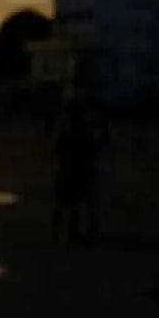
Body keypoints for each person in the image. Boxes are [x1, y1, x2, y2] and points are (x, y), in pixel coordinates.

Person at [51, 102, 103, 245]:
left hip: (69, 172)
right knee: (79, 204)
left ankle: (60, 233)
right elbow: (95, 151)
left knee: (65, 205)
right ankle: (75, 233)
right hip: (81, 172)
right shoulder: (87, 134)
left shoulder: (68, 133)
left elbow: (56, 152)